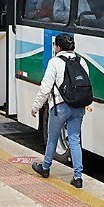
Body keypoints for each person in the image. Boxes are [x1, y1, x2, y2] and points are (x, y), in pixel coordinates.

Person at [29, 34, 86, 189]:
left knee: (52, 138)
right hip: (78, 107)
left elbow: (45, 88)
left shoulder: (55, 62)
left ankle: (45, 167)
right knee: (74, 140)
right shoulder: (81, 61)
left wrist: (36, 107)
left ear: (58, 47)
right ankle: (78, 177)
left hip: (60, 107)